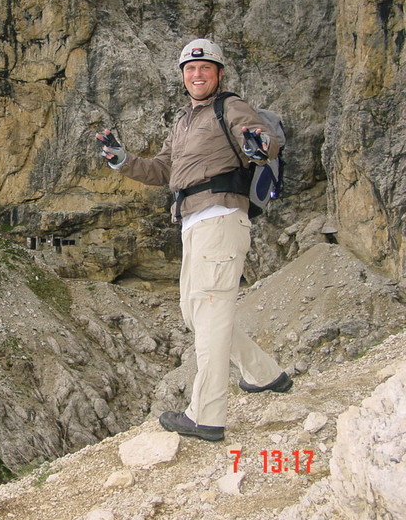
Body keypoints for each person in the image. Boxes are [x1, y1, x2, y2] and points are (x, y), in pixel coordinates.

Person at [97, 38, 292, 442]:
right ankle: (265, 374)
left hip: (221, 216)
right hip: (193, 223)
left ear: (219, 73)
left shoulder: (230, 106)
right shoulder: (183, 121)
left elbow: (261, 139)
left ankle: (207, 415)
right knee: (195, 314)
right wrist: (123, 160)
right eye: (190, 68)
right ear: (183, 76)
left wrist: (260, 146)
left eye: (205, 68)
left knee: (209, 312)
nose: (197, 74)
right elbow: (163, 170)